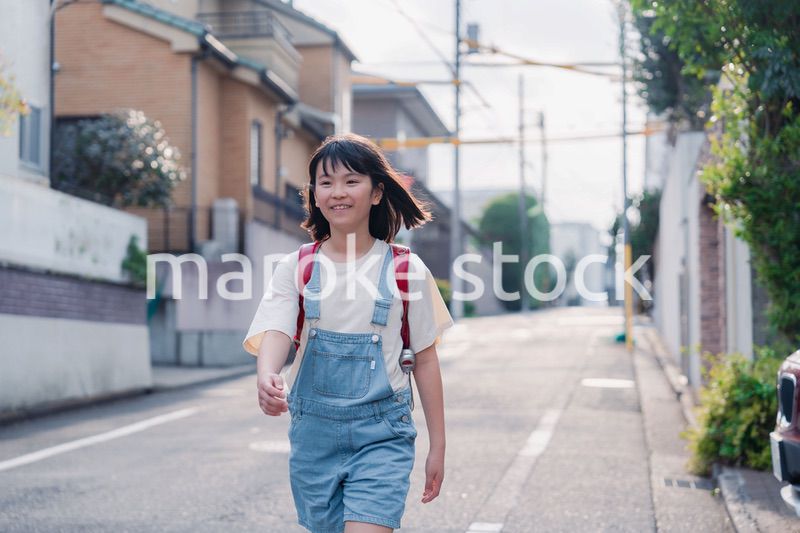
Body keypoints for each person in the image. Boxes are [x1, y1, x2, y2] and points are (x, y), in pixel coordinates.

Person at [243, 133, 454, 533]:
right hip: (313, 440)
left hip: (382, 436)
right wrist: (266, 373)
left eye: (351, 181)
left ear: (376, 192)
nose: (337, 192)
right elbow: (276, 328)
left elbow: (425, 359)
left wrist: (437, 445)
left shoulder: (406, 269)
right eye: (326, 183)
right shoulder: (297, 266)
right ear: (314, 195)